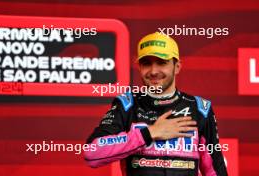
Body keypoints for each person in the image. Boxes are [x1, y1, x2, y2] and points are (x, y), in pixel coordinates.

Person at [84, 32, 228, 176]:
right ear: (140, 67)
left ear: (177, 66)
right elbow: (92, 153)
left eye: (161, 62)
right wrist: (150, 133)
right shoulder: (127, 104)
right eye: (147, 63)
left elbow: (215, 170)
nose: (153, 71)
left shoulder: (200, 108)